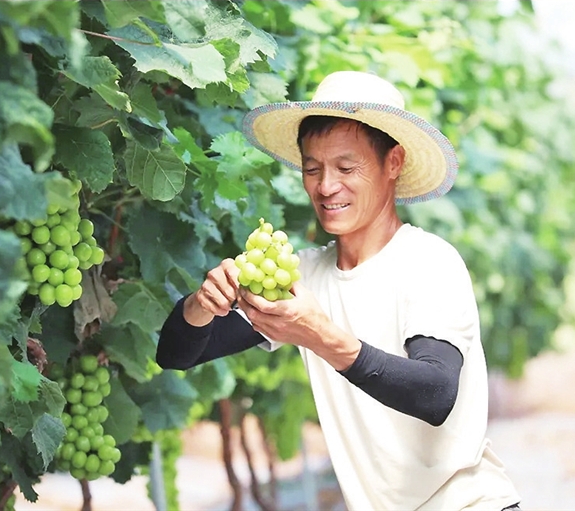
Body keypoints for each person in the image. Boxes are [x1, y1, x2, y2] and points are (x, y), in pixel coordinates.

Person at [156, 71, 521, 511]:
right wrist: (201, 305)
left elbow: (436, 392)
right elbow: (178, 353)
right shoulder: (303, 277)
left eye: (347, 168)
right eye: (313, 169)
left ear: (394, 163)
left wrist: (319, 335)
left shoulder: (428, 262)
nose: (326, 186)